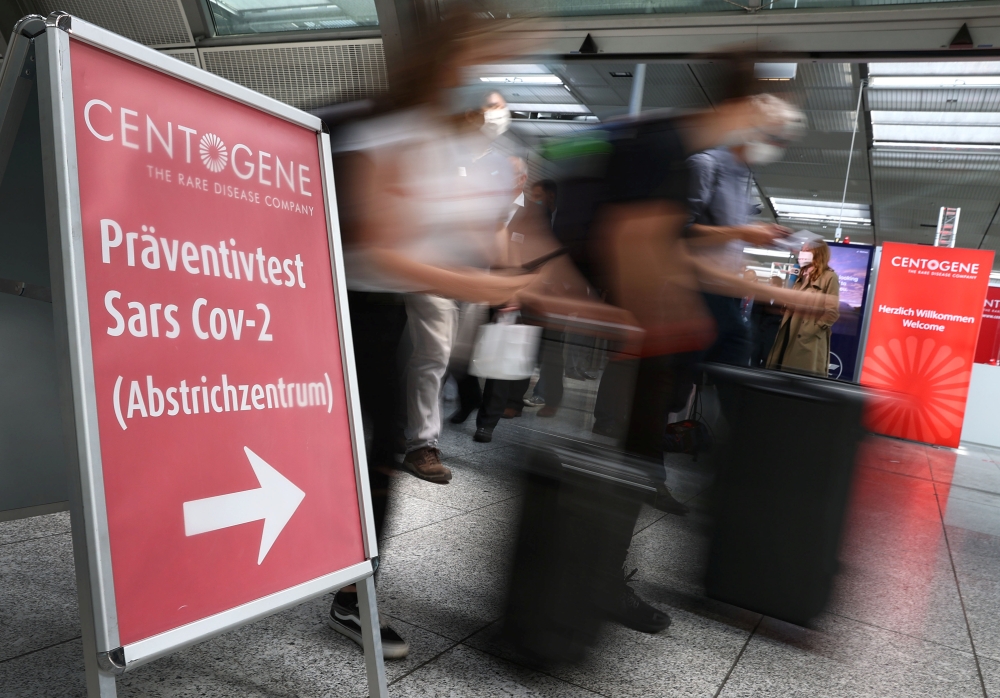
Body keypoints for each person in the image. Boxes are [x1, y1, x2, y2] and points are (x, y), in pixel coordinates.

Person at [327, 9, 533, 659]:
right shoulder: (386, 125)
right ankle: (347, 594)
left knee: (376, 447)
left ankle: (350, 590)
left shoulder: (428, 135)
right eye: (475, 60)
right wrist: (483, 284)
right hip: (344, 308)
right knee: (368, 448)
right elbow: (376, 248)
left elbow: (458, 226)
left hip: (378, 310)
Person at [685, 103, 804, 368]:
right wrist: (742, 232)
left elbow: (726, 239)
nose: (776, 146)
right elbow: (681, 232)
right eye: (773, 137)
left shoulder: (743, 178)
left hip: (725, 292)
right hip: (694, 292)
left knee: (735, 357)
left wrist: (757, 237)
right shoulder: (705, 165)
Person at [766, 241, 840, 377]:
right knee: (781, 375)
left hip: (807, 338)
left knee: (799, 379)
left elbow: (832, 312)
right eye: (802, 249)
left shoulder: (830, 277)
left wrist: (811, 330)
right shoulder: (801, 275)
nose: (802, 253)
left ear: (818, 253)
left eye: (807, 250)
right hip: (789, 330)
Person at [750, 274, 786, 368]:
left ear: (777, 285)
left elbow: (782, 315)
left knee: (767, 356)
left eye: (770, 283)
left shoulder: (784, 299)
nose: (768, 285)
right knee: (755, 354)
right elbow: (755, 311)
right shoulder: (761, 296)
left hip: (773, 331)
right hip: (759, 329)